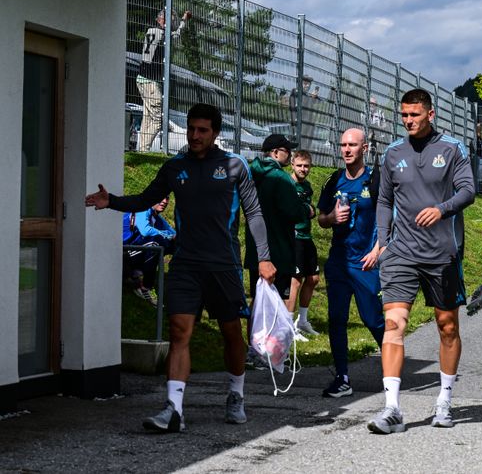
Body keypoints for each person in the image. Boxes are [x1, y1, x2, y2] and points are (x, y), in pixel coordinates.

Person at [85, 103, 276, 432]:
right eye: (191, 129)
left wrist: (264, 256)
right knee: (179, 332)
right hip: (186, 262)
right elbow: (146, 199)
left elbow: (254, 213)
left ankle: (236, 395)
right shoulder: (175, 167)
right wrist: (111, 201)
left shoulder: (234, 165)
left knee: (231, 334)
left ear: (215, 133)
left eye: (202, 130)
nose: (195, 135)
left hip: (223, 264)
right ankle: (174, 408)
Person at [368, 88, 475, 433]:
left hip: (442, 253)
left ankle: (444, 401)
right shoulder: (393, 153)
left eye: (414, 115)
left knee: (447, 326)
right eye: (404, 115)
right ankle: (392, 408)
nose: (408, 121)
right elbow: (384, 201)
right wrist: (384, 241)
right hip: (401, 253)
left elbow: (468, 191)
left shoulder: (452, 149)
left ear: (430, 114)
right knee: (394, 325)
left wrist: (442, 209)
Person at [317, 128, 386, 397]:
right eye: (343, 145)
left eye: (352, 145)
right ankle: (342, 378)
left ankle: (391, 369)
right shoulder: (334, 181)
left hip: (366, 262)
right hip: (338, 261)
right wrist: (332, 218)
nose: (346, 150)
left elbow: (389, 218)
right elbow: (321, 219)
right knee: (336, 319)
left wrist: (378, 250)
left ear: (364, 149)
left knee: (373, 320)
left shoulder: (376, 180)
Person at [243, 134, 313, 347]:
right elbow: (293, 211)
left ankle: (253, 347)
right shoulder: (280, 178)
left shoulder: (251, 173)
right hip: (279, 250)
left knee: (257, 300)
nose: (289, 154)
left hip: (257, 249)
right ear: (275, 152)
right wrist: (307, 210)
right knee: (277, 302)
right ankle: (270, 349)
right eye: (286, 150)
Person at [136, 8, 191, 152]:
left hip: (141, 78)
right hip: (150, 81)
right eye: (172, 20)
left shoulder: (150, 31)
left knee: (147, 116)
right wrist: (184, 20)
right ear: (163, 20)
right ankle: (144, 149)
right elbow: (177, 35)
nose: (173, 23)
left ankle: (142, 150)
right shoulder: (163, 34)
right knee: (157, 119)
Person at [288, 150, 321, 337]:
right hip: (294, 238)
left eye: (306, 166)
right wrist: (305, 210)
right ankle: (288, 326)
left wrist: (309, 210)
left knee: (313, 279)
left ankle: (302, 321)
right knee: (295, 281)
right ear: (292, 164)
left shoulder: (307, 186)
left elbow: (310, 210)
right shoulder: (287, 184)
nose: (303, 169)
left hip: (306, 236)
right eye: (299, 165)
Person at [122, 197, 176, 305]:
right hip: (123, 252)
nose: (165, 201)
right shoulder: (142, 209)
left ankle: (180, 282)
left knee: (175, 245)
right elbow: (145, 230)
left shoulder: (158, 219)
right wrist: (167, 235)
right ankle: (145, 287)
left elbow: (174, 235)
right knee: (155, 242)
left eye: (167, 198)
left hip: (137, 252)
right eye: (161, 197)